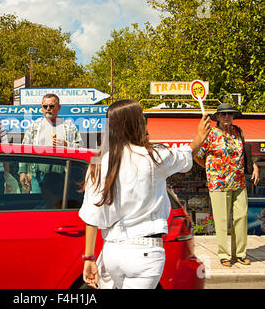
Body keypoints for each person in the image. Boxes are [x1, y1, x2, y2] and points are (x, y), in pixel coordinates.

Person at [79, 99, 211, 289]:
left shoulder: (98, 164)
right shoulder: (152, 156)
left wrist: (89, 258)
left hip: (112, 251)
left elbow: (92, 216)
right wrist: (199, 137)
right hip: (144, 251)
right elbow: (184, 154)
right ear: (137, 123)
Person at [194, 103, 260, 267]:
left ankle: (240, 253)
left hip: (238, 181)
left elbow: (244, 153)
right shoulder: (210, 134)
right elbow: (197, 155)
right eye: (223, 114)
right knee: (222, 220)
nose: (226, 117)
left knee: (241, 217)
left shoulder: (238, 131)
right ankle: (224, 255)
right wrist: (210, 168)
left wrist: (254, 165)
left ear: (233, 116)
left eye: (229, 114)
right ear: (217, 117)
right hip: (218, 183)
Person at [19, 93, 83, 190]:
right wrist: (23, 171)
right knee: (38, 204)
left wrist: (67, 145)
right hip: (38, 176)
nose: (48, 109)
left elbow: (81, 148)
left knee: (59, 204)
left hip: (62, 177)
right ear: (42, 108)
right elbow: (25, 148)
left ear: (59, 107)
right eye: (45, 106)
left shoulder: (69, 126)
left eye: (51, 106)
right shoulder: (34, 126)